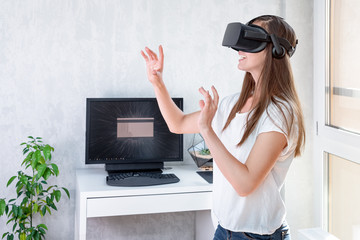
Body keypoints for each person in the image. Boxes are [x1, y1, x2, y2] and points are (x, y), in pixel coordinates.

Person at [141, 15, 305, 240]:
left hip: (257, 235)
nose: (239, 48)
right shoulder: (232, 104)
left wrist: (207, 130)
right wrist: (157, 82)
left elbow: (245, 184)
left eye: (251, 39)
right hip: (223, 229)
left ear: (276, 50)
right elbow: (177, 124)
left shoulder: (280, 113)